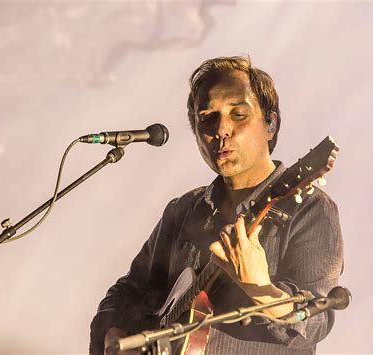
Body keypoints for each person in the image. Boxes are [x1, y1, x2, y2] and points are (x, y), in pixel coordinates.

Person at [90, 56, 343, 355]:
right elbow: (128, 292)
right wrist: (115, 335)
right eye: (208, 118)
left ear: (270, 124)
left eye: (238, 114)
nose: (222, 129)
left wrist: (260, 287)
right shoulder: (183, 210)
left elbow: (316, 320)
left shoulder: (310, 211)